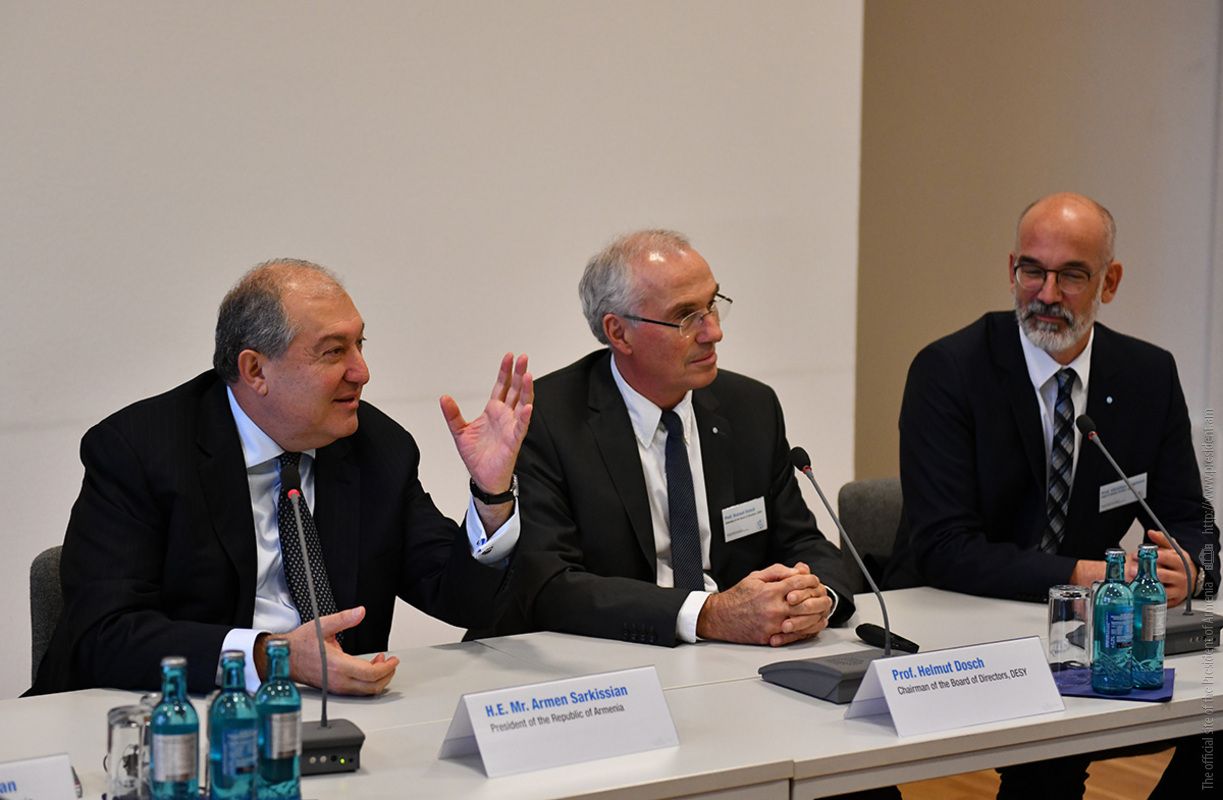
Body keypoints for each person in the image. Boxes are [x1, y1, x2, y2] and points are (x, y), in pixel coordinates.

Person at [31, 259, 532, 697]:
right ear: (255, 371)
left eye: (359, 344)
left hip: (331, 720)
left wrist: (490, 496)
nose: (362, 371)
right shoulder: (140, 451)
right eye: (333, 352)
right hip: (165, 714)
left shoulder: (377, 447)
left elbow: (464, 600)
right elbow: (106, 636)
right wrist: (273, 657)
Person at [884, 193, 1218, 797]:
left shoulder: (1147, 374)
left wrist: (1187, 567)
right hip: (959, 625)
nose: (1046, 293)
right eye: (1032, 271)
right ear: (1011, 268)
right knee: (1049, 761)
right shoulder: (949, 369)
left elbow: (1189, 518)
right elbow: (944, 549)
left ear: (1109, 282)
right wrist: (1093, 576)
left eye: (1072, 276)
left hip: (1089, 634)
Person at [471, 230, 855, 647]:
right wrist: (707, 615)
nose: (713, 332)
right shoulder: (546, 420)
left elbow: (802, 542)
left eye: (712, 305)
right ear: (619, 333)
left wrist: (814, 599)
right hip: (610, 656)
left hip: (738, 653)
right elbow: (550, 584)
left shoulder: (750, 407)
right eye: (686, 317)